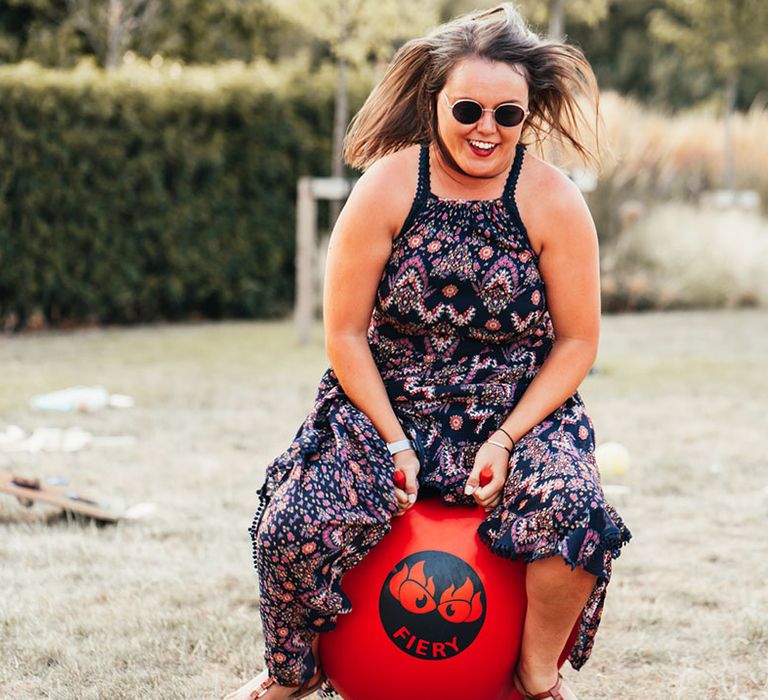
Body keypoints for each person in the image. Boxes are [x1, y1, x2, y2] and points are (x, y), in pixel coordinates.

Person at [226, 4, 631, 699]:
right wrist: (393, 443)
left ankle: (535, 676)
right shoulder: (385, 188)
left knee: (575, 512)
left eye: (508, 115)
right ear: (435, 99)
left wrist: (507, 438)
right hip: (389, 404)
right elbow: (346, 334)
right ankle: (294, 674)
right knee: (291, 524)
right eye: (469, 107)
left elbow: (577, 341)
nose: (487, 128)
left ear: (527, 114)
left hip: (515, 408)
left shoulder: (553, 200)